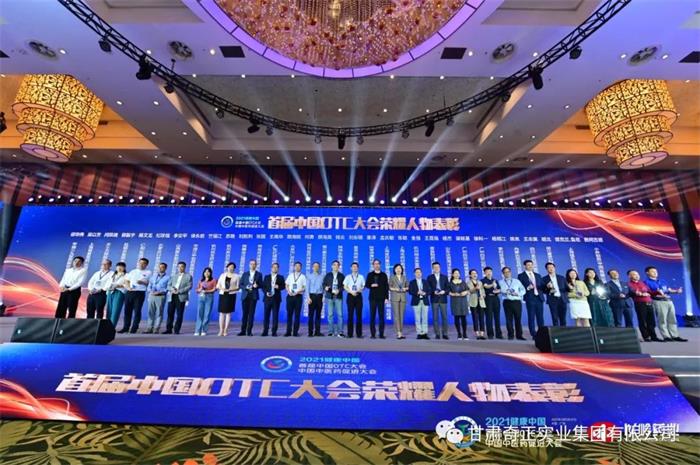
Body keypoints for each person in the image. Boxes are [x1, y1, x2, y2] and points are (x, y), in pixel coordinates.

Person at [644, 266, 687, 342]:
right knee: (662, 320)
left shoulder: (662, 281)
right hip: (659, 302)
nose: (655, 273)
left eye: (656, 271)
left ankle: (675, 335)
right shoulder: (646, 282)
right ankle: (666, 336)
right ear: (647, 273)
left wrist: (676, 291)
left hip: (669, 301)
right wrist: (657, 294)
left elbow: (668, 290)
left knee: (672, 319)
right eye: (653, 271)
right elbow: (648, 293)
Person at [120, 258, 152, 334]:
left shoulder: (149, 272)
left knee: (137, 311)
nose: (141, 264)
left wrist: (143, 282)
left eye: (143, 263)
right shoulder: (133, 271)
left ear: (146, 264)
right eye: (140, 263)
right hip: (130, 292)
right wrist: (128, 287)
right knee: (127, 311)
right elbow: (126, 280)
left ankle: (134, 327)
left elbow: (150, 283)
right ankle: (125, 327)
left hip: (139, 293)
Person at [628, 269, 660, 342]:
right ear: (630, 276)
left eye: (637, 274)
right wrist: (640, 293)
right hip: (640, 304)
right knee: (642, 321)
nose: (637, 276)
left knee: (651, 321)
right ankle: (646, 336)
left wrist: (657, 292)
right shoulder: (629, 284)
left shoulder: (642, 283)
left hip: (649, 303)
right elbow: (632, 293)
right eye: (634, 274)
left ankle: (653, 336)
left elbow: (649, 292)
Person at [518, 260, 545, 339]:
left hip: (539, 298)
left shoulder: (537, 275)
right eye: (528, 265)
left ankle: (542, 333)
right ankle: (533, 334)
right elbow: (519, 287)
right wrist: (527, 288)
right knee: (531, 317)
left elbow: (542, 286)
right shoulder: (521, 276)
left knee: (540, 317)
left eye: (531, 265)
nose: (530, 266)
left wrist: (547, 286)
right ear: (525, 266)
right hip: (530, 298)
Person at [164, 261, 192, 335]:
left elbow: (189, 286)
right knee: (170, 313)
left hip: (181, 296)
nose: (180, 268)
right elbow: (168, 285)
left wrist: (179, 291)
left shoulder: (188, 276)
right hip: (172, 296)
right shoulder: (173, 276)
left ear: (184, 267)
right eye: (179, 267)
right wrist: (172, 289)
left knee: (179, 314)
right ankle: (168, 329)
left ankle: (176, 329)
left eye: (182, 266)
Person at [499, 266, 526, 340]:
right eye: (505, 272)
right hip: (507, 302)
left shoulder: (517, 281)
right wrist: (505, 291)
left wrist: (518, 294)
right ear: (503, 274)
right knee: (508, 319)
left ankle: (519, 335)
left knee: (518, 319)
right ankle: (510, 335)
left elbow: (523, 290)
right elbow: (498, 290)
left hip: (516, 302)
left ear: (510, 272)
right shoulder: (500, 282)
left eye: (508, 272)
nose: (507, 273)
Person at [239, 259, 263, 336]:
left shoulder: (259, 274)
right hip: (245, 295)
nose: (252, 265)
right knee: (244, 314)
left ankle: (249, 331)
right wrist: (246, 287)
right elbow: (240, 284)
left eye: (254, 264)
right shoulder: (245, 274)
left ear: (256, 265)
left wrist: (257, 286)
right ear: (249, 265)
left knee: (251, 314)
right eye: (251, 264)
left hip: (253, 296)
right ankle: (243, 331)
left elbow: (261, 285)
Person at [367, 259, 389, 339]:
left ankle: (381, 334)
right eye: (375, 264)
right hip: (372, 298)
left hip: (381, 298)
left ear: (380, 265)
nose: (376, 265)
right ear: (373, 265)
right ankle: (373, 334)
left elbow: (386, 287)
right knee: (372, 316)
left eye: (378, 264)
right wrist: (371, 285)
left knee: (381, 316)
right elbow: (366, 284)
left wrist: (386, 298)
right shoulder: (370, 274)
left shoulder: (384, 275)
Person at [427, 262, 450, 340]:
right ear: (433, 268)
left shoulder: (444, 277)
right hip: (434, 299)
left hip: (443, 299)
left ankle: (445, 333)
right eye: (435, 267)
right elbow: (428, 288)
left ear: (440, 268)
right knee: (435, 317)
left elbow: (448, 288)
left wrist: (444, 291)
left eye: (438, 267)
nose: (436, 268)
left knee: (444, 317)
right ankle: (437, 333)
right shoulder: (430, 277)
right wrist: (433, 292)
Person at [144, 262, 169, 334]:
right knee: (150, 312)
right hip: (152, 295)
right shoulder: (153, 276)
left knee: (159, 313)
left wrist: (160, 292)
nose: (160, 268)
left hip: (160, 296)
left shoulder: (168, 277)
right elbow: (149, 286)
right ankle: (149, 328)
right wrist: (150, 291)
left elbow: (168, 287)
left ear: (165, 268)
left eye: (162, 267)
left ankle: (156, 328)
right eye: (159, 267)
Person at [262, 262, 285, 337]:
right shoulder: (266, 277)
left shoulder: (281, 277)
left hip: (276, 299)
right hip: (267, 299)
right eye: (274, 267)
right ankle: (265, 331)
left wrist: (279, 287)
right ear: (271, 268)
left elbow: (284, 286)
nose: (275, 268)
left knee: (275, 316)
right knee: (266, 315)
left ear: (278, 269)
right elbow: (263, 287)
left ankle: (274, 331)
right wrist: (266, 292)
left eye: (276, 267)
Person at [323, 260, 345, 337]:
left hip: (338, 296)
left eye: (337, 265)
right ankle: (330, 331)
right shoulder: (328, 275)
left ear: (339, 266)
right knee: (330, 315)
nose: (336, 266)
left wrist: (339, 290)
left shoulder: (341, 276)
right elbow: (324, 284)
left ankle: (340, 332)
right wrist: (325, 287)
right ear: (332, 266)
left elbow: (344, 286)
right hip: (330, 296)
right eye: (334, 265)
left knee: (340, 315)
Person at [216, 262, 240, 336]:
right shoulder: (222, 275)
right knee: (221, 313)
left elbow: (238, 287)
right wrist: (222, 289)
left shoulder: (237, 276)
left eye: (232, 267)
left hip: (231, 295)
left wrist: (230, 289)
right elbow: (218, 285)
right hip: (223, 295)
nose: (231, 268)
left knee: (228, 313)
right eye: (229, 266)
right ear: (227, 267)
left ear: (234, 268)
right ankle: (221, 330)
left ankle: (226, 330)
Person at [542, 262, 568, 327]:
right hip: (552, 300)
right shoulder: (544, 279)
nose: (551, 269)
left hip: (562, 299)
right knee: (555, 318)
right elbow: (543, 291)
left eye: (552, 267)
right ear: (546, 269)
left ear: (554, 268)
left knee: (563, 318)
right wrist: (547, 287)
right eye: (549, 268)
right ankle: (556, 332)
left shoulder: (561, 277)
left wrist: (570, 288)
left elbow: (566, 288)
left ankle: (564, 331)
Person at [343, 262, 365, 338]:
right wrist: (351, 292)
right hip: (350, 296)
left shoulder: (361, 277)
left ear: (358, 268)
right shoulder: (348, 277)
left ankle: (359, 334)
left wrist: (359, 290)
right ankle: (349, 334)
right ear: (351, 268)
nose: (354, 268)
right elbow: (345, 286)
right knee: (350, 315)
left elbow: (363, 286)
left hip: (358, 296)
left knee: (359, 315)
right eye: (353, 267)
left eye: (356, 267)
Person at [285, 261, 306, 337]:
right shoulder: (290, 275)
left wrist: (298, 291)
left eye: (299, 266)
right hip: (290, 296)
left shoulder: (303, 276)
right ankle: (288, 331)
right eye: (296, 266)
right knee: (289, 315)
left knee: (297, 315)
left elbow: (304, 287)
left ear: (301, 267)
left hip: (298, 297)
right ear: (294, 267)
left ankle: (295, 332)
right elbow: (286, 284)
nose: (297, 267)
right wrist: (288, 291)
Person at [481, 267, 503, 339]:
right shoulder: (483, 280)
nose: (489, 273)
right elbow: (486, 287)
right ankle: (490, 334)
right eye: (487, 272)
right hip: (488, 299)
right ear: (484, 273)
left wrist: (497, 291)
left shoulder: (495, 280)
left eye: (490, 271)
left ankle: (499, 334)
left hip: (496, 299)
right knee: (489, 317)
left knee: (497, 317)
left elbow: (499, 289)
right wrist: (492, 285)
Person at [194, 267, 217, 336]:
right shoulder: (201, 280)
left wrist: (206, 291)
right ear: (203, 273)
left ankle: (204, 330)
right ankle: (197, 330)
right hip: (201, 297)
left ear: (210, 273)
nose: (207, 273)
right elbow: (197, 290)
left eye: (208, 272)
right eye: (205, 272)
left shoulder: (213, 280)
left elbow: (214, 289)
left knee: (207, 314)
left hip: (209, 297)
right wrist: (199, 290)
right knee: (199, 314)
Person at [409, 268, 430, 339]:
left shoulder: (425, 281)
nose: (418, 273)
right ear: (414, 274)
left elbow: (429, 290)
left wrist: (424, 293)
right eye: (417, 272)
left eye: (419, 272)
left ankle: (425, 333)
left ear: (421, 273)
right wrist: (417, 293)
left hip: (425, 301)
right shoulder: (412, 282)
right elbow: (410, 291)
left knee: (425, 317)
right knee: (417, 318)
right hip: (416, 301)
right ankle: (419, 333)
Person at [388, 263, 408, 339]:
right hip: (395, 298)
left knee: (401, 316)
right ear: (394, 270)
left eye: (400, 268)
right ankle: (398, 332)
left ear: (402, 270)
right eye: (397, 268)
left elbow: (408, 287)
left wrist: (405, 289)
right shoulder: (392, 277)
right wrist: (395, 289)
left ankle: (401, 331)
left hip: (403, 298)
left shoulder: (404, 277)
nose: (398, 270)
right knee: (396, 315)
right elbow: (389, 287)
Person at [448, 269, 469, 340]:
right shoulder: (450, 283)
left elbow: (467, 290)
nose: (457, 274)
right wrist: (453, 294)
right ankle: (459, 333)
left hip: (463, 301)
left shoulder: (463, 282)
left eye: (458, 273)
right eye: (455, 273)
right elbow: (448, 292)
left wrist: (465, 292)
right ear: (452, 274)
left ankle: (465, 334)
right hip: (455, 302)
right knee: (456, 318)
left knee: (463, 318)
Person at [466, 269, 487, 340]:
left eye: (475, 273)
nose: (474, 274)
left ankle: (482, 333)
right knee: (475, 318)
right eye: (473, 273)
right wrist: (475, 288)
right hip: (473, 302)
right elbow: (469, 291)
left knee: (482, 318)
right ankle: (477, 333)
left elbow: (483, 291)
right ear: (470, 275)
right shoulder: (468, 282)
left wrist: (483, 295)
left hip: (481, 302)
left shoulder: (480, 282)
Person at [106, 262, 128, 327]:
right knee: (109, 309)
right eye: (118, 266)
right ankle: (106, 326)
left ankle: (112, 326)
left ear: (124, 268)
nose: (119, 268)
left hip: (119, 292)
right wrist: (107, 288)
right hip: (110, 292)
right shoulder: (112, 274)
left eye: (121, 266)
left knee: (115, 310)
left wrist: (119, 286)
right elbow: (107, 283)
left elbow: (128, 285)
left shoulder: (127, 275)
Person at [306, 262, 324, 337]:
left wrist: (323, 297)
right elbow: (307, 288)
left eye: (317, 266)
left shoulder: (322, 276)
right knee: (311, 315)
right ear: (312, 267)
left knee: (318, 315)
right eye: (314, 266)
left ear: (319, 268)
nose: (316, 267)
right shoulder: (309, 276)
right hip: (312, 296)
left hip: (320, 296)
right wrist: (308, 297)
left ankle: (317, 332)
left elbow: (324, 288)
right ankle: (310, 332)